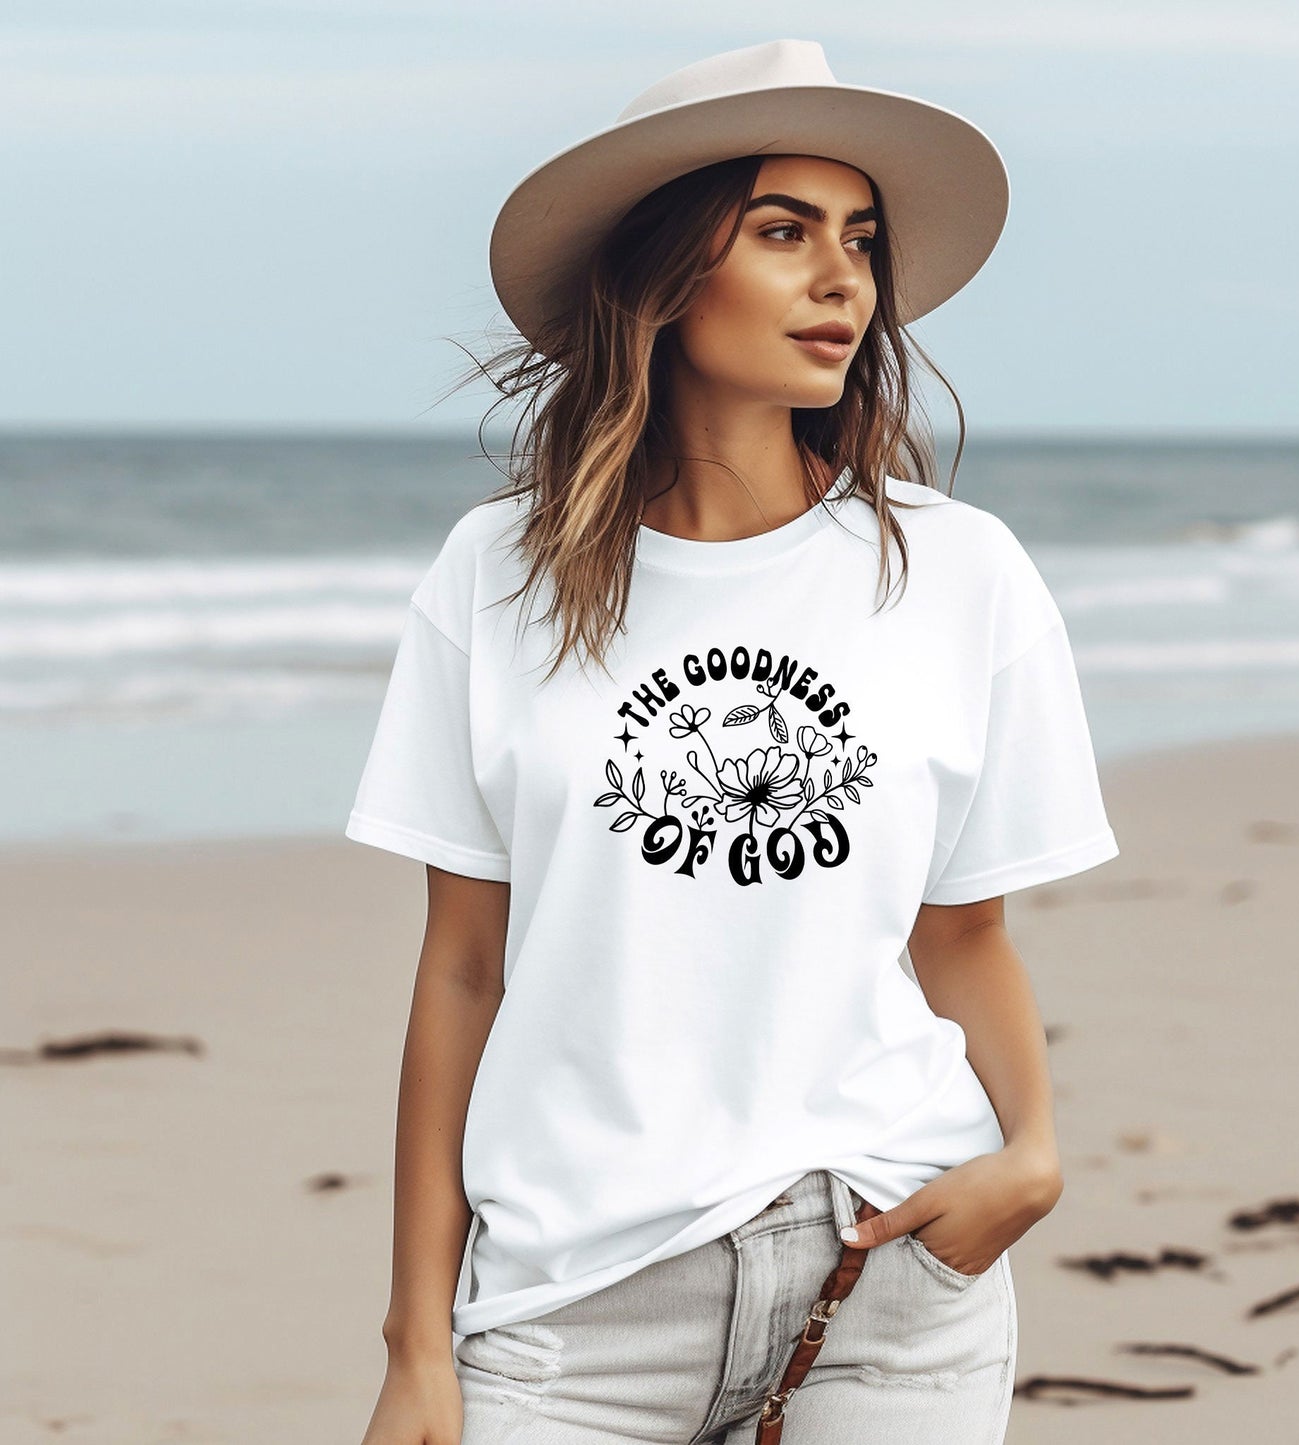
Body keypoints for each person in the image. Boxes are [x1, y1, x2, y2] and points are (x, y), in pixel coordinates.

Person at [346, 38, 1120, 1445]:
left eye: (860, 240)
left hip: (884, 1271)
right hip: (570, 1302)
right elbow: (461, 966)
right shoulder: (495, 576)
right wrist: (417, 1342)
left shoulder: (958, 573)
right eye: (781, 231)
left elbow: (962, 935)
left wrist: (1033, 1154)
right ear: (662, 273)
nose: (841, 279)